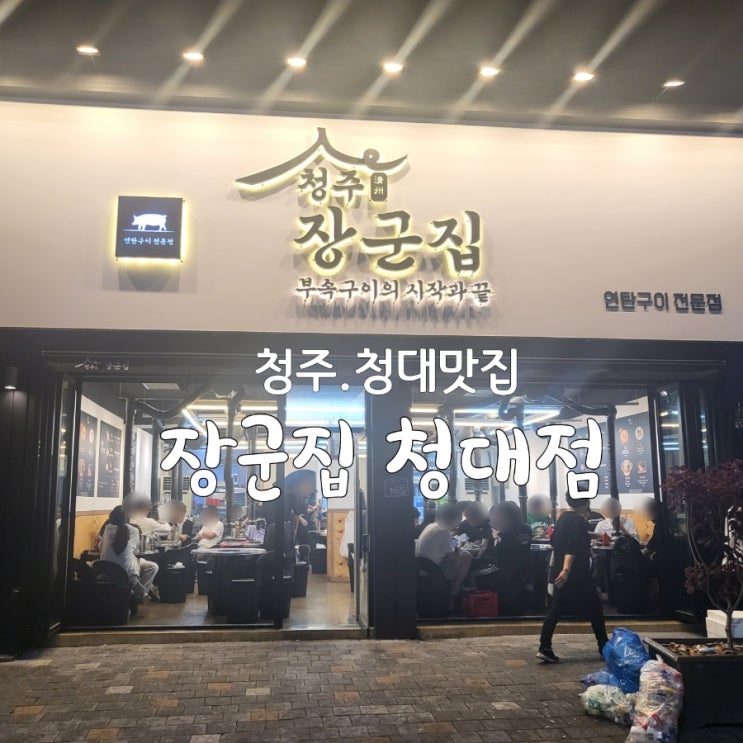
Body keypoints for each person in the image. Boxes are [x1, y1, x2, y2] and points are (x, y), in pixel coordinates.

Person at [537, 494, 609, 663]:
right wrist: (566, 570)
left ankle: (545, 647)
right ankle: (604, 648)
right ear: (586, 503)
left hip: (563, 571)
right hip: (576, 574)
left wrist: (593, 535)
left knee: (557, 609)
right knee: (594, 610)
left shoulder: (563, 518)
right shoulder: (578, 520)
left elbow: (557, 540)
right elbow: (572, 547)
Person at [100, 505, 159, 612]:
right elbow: (135, 550)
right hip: (127, 572)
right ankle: (138, 595)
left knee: (134, 564)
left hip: (106, 570)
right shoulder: (133, 530)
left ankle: (138, 593)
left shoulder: (107, 529)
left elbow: (100, 547)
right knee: (151, 566)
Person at [415, 503, 472, 610]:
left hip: (423, 566)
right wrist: (460, 545)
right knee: (467, 555)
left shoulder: (431, 526)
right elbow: (453, 557)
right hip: (435, 569)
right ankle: (453, 592)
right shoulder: (443, 532)